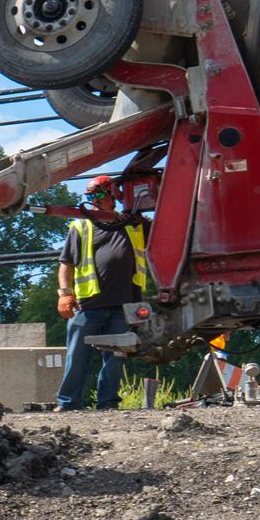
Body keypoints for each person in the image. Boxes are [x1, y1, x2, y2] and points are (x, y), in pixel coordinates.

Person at [57, 176, 150, 411]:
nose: (94, 201)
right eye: (89, 196)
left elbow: (167, 234)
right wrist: (65, 294)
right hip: (89, 305)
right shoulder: (80, 225)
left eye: (98, 195)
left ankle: (108, 403)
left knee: (116, 357)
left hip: (125, 304)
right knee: (77, 356)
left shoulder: (135, 224)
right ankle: (68, 404)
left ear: (114, 195)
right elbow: (66, 263)